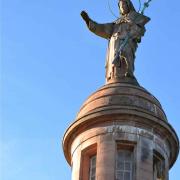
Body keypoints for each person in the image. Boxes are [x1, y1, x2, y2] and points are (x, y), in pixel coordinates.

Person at [81, 0, 150, 82]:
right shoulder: (116, 24)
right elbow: (102, 28)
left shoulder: (134, 18)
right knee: (115, 59)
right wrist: (88, 21)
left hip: (127, 42)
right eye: (121, 6)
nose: (122, 7)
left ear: (128, 6)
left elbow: (140, 31)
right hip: (115, 44)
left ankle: (129, 74)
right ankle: (115, 77)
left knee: (126, 54)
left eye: (124, 5)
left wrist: (133, 25)